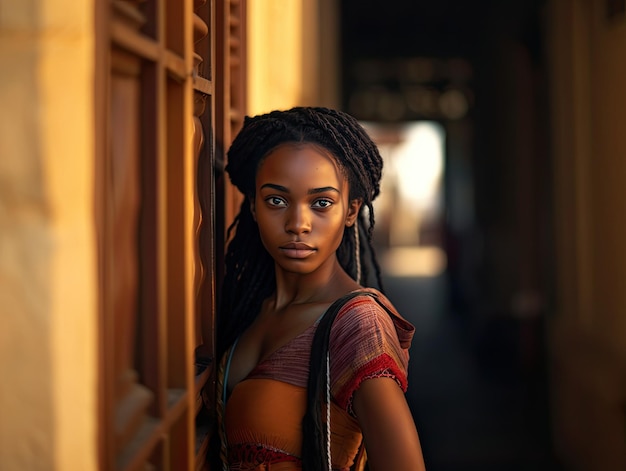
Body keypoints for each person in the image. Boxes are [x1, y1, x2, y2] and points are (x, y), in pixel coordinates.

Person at [210, 106, 425, 471]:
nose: (298, 223)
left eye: (321, 203)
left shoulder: (357, 324)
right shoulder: (250, 308)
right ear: (253, 208)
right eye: (276, 200)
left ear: (352, 210)